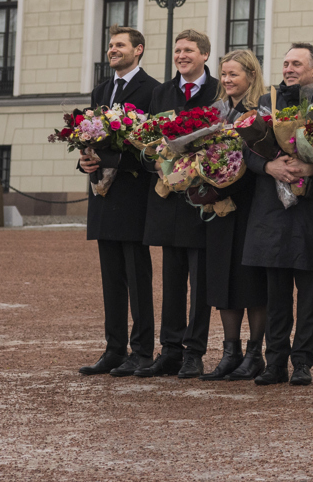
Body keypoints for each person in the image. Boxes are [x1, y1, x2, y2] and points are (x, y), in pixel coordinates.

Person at [242, 42, 313, 387]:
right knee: (276, 295)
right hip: (272, 211)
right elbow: (246, 149)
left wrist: (312, 170)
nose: (288, 69)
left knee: (309, 296)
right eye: (285, 63)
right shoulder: (267, 102)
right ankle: (275, 361)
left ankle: (303, 363)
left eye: (297, 63)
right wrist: (268, 165)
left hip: (311, 211)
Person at [77, 25, 159, 377]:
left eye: (120, 45)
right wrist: (84, 160)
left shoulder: (152, 90)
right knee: (111, 278)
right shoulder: (101, 89)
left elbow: (153, 149)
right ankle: (114, 348)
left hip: (133, 196)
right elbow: (90, 139)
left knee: (137, 277)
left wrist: (110, 161)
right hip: (102, 195)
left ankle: (142, 350)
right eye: (110, 45)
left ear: (138, 50)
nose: (113, 50)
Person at [141, 29, 218, 379]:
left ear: (204, 54)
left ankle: (194, 351)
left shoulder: (218, 91)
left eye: (188, 50)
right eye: (177, 51)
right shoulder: (161, 92)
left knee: (200, 283)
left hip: (202, 199)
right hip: (168, 200)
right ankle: (170, 349)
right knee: (171, 280)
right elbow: (147, 142)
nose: (181, 56)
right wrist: (155, 160)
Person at [208, 50, 271, 383]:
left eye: (233, 74)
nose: (227, 80)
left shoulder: (261, 111)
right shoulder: (216, 112)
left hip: (251, 204)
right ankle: (229, 353)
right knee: (223, 280)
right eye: (224, 75)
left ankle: (253, 354)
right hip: (220, 206)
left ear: (250, 75)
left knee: (251, 283)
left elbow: (263, 153)